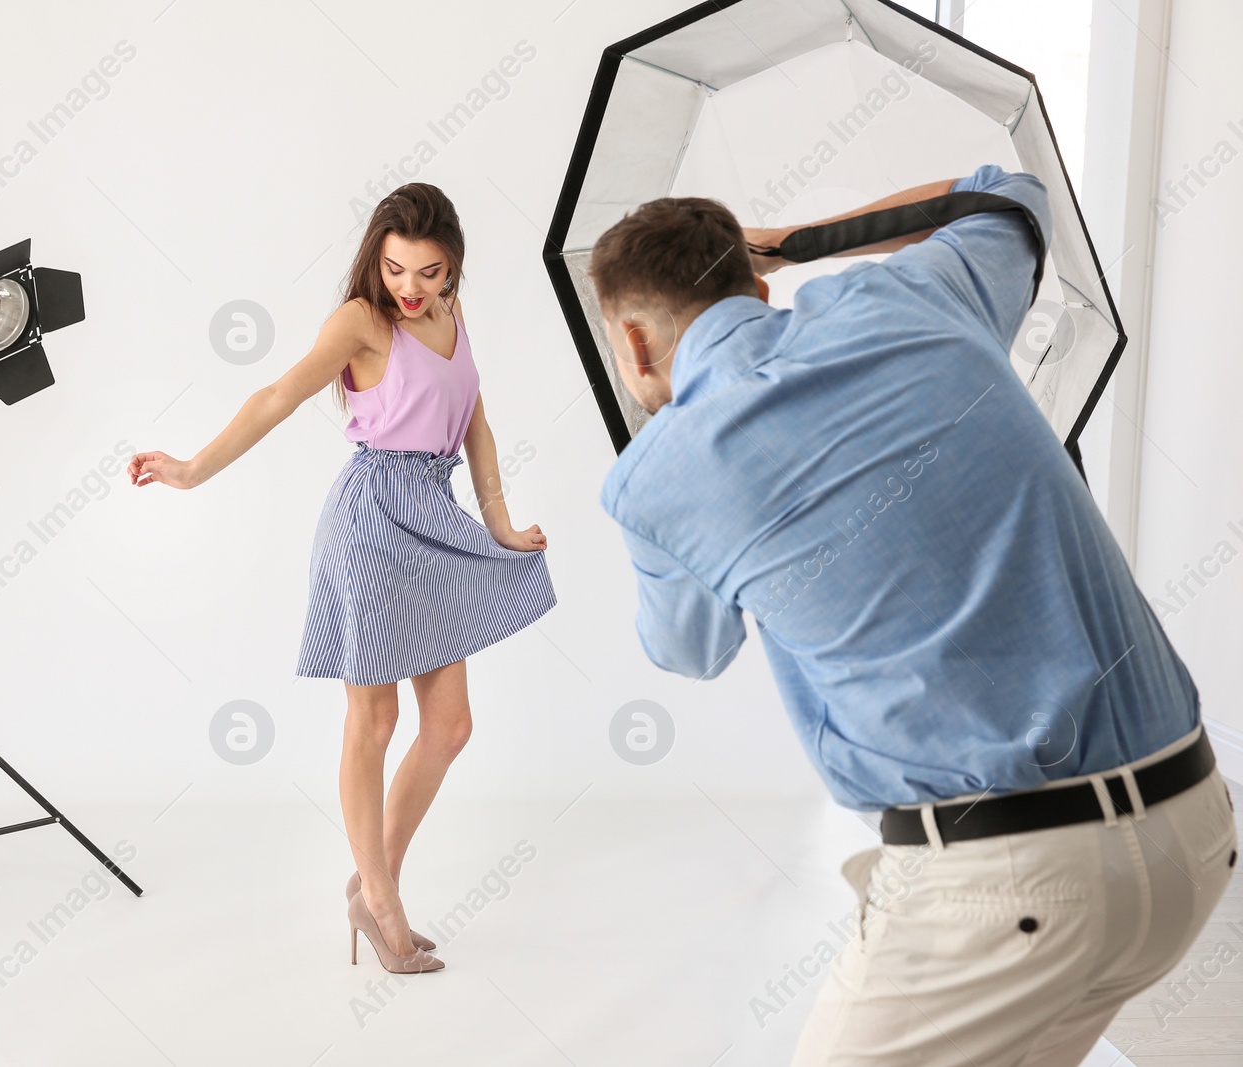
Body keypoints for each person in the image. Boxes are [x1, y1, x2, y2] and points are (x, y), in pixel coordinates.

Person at [588, 164, 1237, 1066]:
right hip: (1193, 833)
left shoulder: (657, 474)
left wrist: (662, 494)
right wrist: (798, 239)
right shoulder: (916, 291)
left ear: (630, 339)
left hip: (1009, 886)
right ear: (759, 280)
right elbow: (1008, 197)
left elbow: (688, 649)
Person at [127, 183, 556, 976]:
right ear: (376, 258)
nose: (410, 287)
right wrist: (190, 469)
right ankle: (384, 898)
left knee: (451, 726)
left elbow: (478, 429)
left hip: (434, 513)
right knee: (375, 716)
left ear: (453, 266)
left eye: (428, 271)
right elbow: (278, 395)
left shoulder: (452, 321)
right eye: (396, 268)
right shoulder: (362, 320)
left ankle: (369, 883)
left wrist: (499, 523)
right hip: (371, 521)